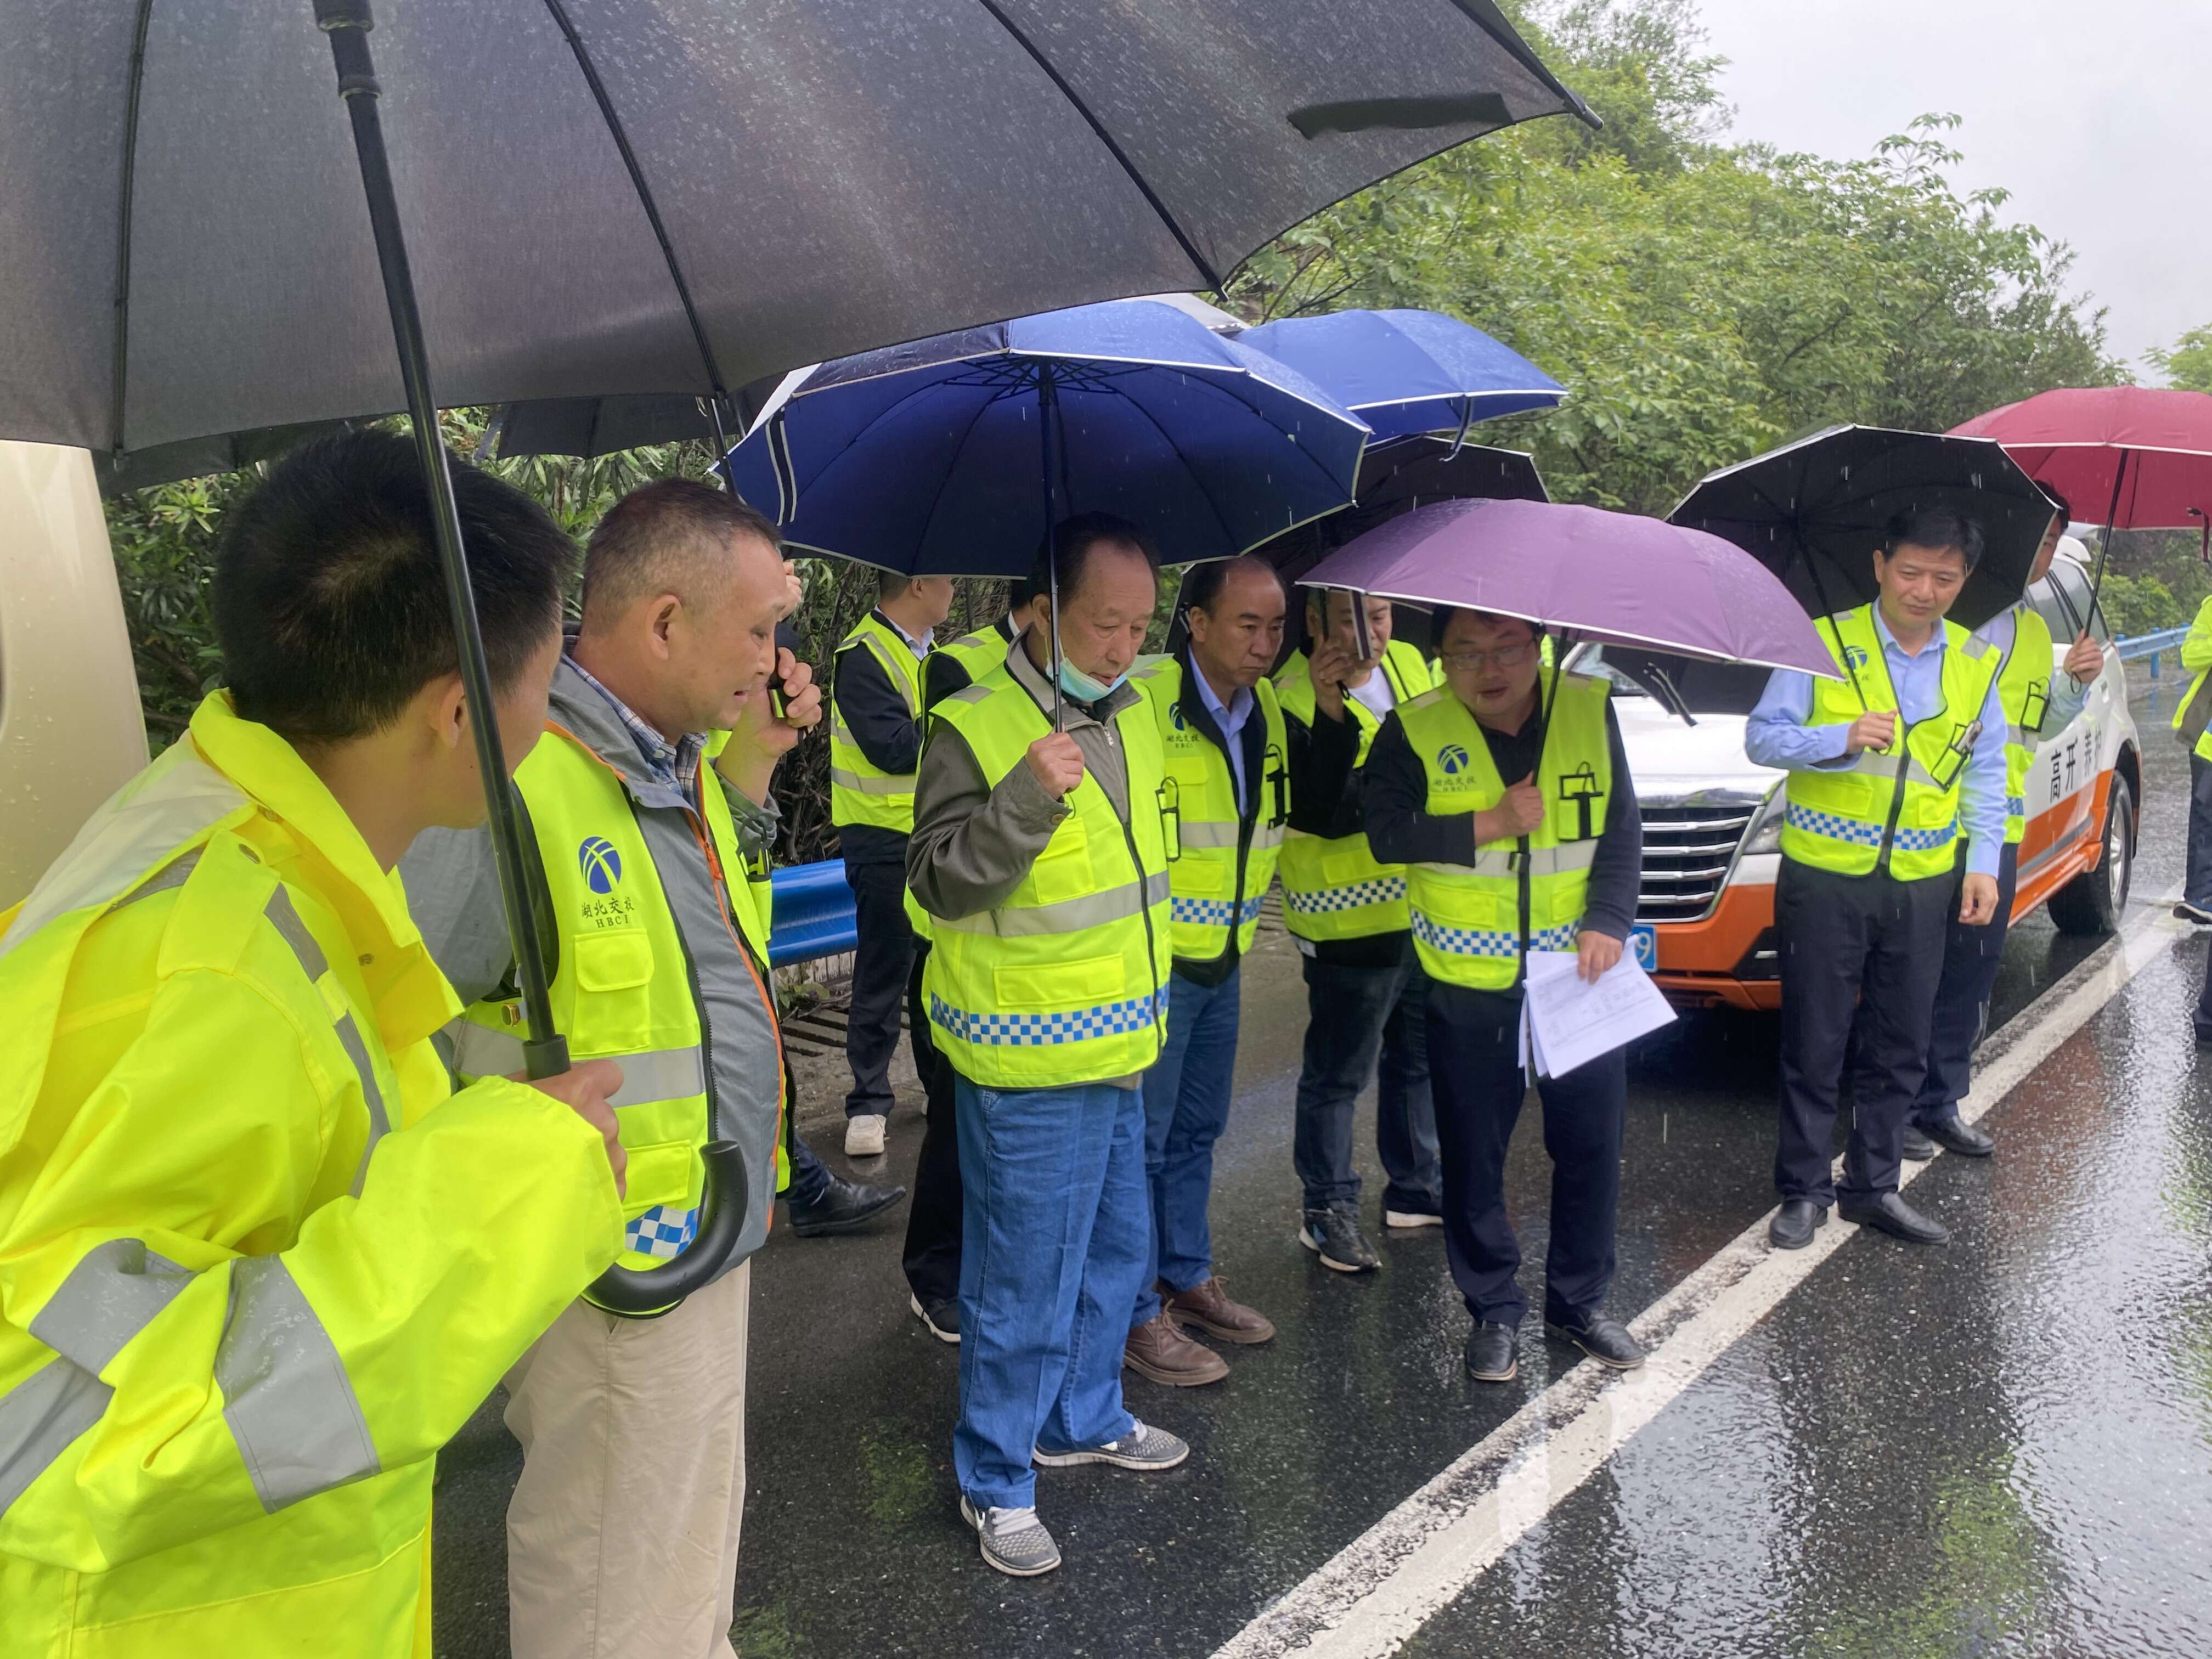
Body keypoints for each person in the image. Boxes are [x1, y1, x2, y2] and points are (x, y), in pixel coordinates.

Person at [0, 431, 628, 1655]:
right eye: (546, 688)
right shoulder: (215, 972)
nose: (550, 729)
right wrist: (494, 1198)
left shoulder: (250, 855)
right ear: (458, 715)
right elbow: (47, 1420)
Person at [401, 480, 882, 1658]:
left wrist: (754, 769)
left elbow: (704, 960)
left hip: (692, 1236)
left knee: (672, 1570)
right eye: (761, 627)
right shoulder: (514, 782)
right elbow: (387, 1020)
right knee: (618, 1599)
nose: (778, 659)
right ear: (664, 622)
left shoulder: (666, 769)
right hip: (607, 1264)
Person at [909, 514, 1185, 1577]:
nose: (1123, 645)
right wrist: (1023, 797)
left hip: (1120, 1043)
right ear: (1041, 609)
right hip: (1024, 1056)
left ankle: (1082, 1414)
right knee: (1020, 1276)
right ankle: (995, 1475)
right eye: (1104, 623)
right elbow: (934, 881)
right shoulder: (974, 727)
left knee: (1117, 1248)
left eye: (1139, 624)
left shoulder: (1136, 710)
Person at [1364, 608, 1645, 1385]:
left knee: (1590, 1146)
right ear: (1442, 661)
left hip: (1576, 977)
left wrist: (1610, 919)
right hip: (1470, 986)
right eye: (1466, 654)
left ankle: (1579, 1304)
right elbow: (1385, 833)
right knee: (1474, 1156)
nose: (1489, 669)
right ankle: (1492, 1310)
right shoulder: (1413, 730)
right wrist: (1487, 821)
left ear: (1539, 644)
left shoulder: (1588, 707)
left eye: (1506, 648)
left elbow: (1621, 826)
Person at [1747, 510, 2007, 1254]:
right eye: (1911, 572)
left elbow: (1987, 770)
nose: (1925, 591)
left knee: (1902, 1042)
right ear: (1880, 564)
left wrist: (1982, 861)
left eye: (1944, 578)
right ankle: (1802, 1191)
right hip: (1826, 879)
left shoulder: (1973, 661)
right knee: (1816, 1039)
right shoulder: (1823, 644)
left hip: (1926, 881)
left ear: (1963, 582)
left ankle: (1874, 1186)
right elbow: (1763, 738)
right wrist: (1841, 736)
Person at [1119, 558, 1287, 1387]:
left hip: (1225, 958)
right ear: (1198, 623)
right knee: (1141, 1143)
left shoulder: (1274, 711)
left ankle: (1186, 1274)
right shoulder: (1145, 698)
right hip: (1155, 965)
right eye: (1248, 625)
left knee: (1196, 1131)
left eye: (1276, 627)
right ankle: (1133, 1311)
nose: (1265, 643)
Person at [1898, 497, 2100, 1160]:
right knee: (1913, 971)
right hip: (1928, 823)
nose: (2041, 556)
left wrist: (2072, 687)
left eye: (2053, 546)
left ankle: (1940, 1103)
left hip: (1998, 823)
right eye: (2036, 539)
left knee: (1971, 970)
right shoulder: (1949, 613)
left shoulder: (2036, 631)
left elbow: (2034, 727)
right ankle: (1894, 1107)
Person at [1274, 589, 1444, 1273]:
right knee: (1339, 1072)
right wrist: (1398, 789)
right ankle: (1328, 1206)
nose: (1371, 634)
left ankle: (1415, 1186)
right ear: (1314, 622)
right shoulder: (1286, 691)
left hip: (1420, 906)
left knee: (1418, 1060)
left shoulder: (1408, 663)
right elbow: (1319, 807)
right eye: (1352, 619)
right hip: (1343, 918)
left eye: (1379, 616)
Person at [902, 578, 1044, 1343]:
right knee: (956, 1124)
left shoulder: (1097, 692)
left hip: (1036, 956)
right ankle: (934, 1274)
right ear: (1047, 604)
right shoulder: (962, 670)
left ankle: (982, 1270)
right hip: (957, 932)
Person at [832, 571, 955, 1158]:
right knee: (884, 973)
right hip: (882, 840)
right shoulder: (862, 655)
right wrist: (960, 729)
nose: (954, 590)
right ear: (918, 585)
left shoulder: (940, 655)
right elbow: (893, 747)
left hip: (932, 835)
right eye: (947, 580)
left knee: (935, 974)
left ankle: (939, 1087)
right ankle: (869, 1104)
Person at [2172, 586, 2212, 928]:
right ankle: (2200, 897)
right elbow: (2191, 654)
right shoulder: (2211, 608)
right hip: (2208, 738)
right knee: (2205, 814)